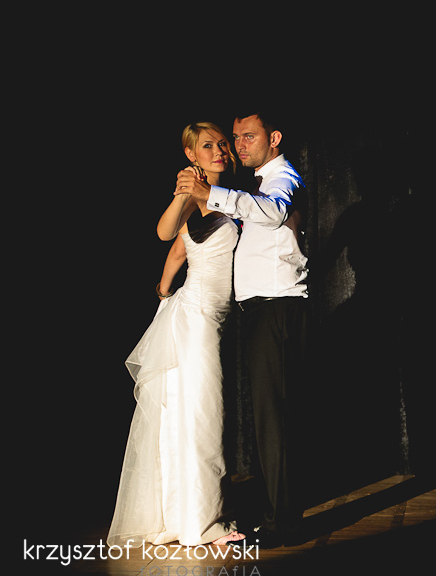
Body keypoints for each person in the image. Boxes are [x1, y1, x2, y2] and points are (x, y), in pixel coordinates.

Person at [174, 109, 309, 548]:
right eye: (236, 137)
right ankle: (277, 515)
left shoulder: (282, 177)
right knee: (269, 419)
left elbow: (274, 212)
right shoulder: (256, 184)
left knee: (275, 420)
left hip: (276, 307)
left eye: (248, 136)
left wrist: (212, 193)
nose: (239, 145)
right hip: (260, 310)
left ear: (274, 138)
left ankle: (283, 524)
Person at [107, 122, 245, 547]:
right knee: (203, 416)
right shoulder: (193, 193)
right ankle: (203, 525)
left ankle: (181, 517)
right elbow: (167, 234)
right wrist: (185, 192)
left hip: (208, 314)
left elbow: (180, 249)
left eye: (222, 144)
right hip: (196, 318)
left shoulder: (232, 195)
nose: (219, 151)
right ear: (191, 154)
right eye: (207, 146)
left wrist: (164, 287)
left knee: (188, 415)